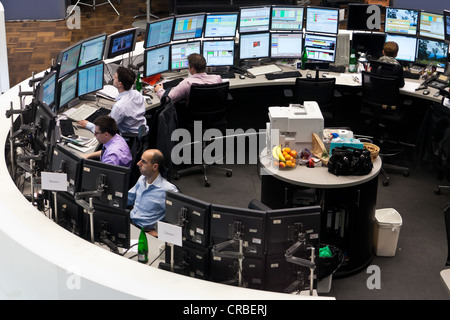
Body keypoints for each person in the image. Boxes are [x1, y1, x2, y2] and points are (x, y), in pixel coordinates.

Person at [77, 66, 148, 134]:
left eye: (116, 77)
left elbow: (107, 130)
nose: (113, 77)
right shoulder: (137, 94)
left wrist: (88, 125)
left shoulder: (119, 106)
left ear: (120, 84)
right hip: (142, 133)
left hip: (129, 139)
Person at [128, 149, 178, 234]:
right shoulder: (142, 179)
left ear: (155, 167)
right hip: (131, 223)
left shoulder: (168, 190)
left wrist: (159, 233)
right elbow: (129, 198)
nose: (138, 163)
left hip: (146, 232)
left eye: (143, 162)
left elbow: (177, 219)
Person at [154, 53, 222, 104]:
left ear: (192, 68)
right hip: (215, 118)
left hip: (196, 120)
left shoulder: (187, 83)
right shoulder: (217, 79)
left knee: (198, 122)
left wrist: (159, 89)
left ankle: (198, 124)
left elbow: (167, 99)